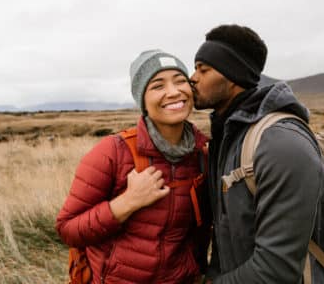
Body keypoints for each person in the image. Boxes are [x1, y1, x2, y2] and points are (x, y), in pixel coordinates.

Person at [189, 24, 324, 283]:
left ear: (232, 74)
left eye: (203, 69)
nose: (192, 77)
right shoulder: (229, 137)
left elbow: (277, 270)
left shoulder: (281, 144)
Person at [56, 50, 210, 284]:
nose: (173, 91)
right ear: (143, 101)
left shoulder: (203, 154)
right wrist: (128, 202)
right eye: (158, 86)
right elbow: (68, 229)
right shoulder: (113, 152)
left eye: (180, 81)